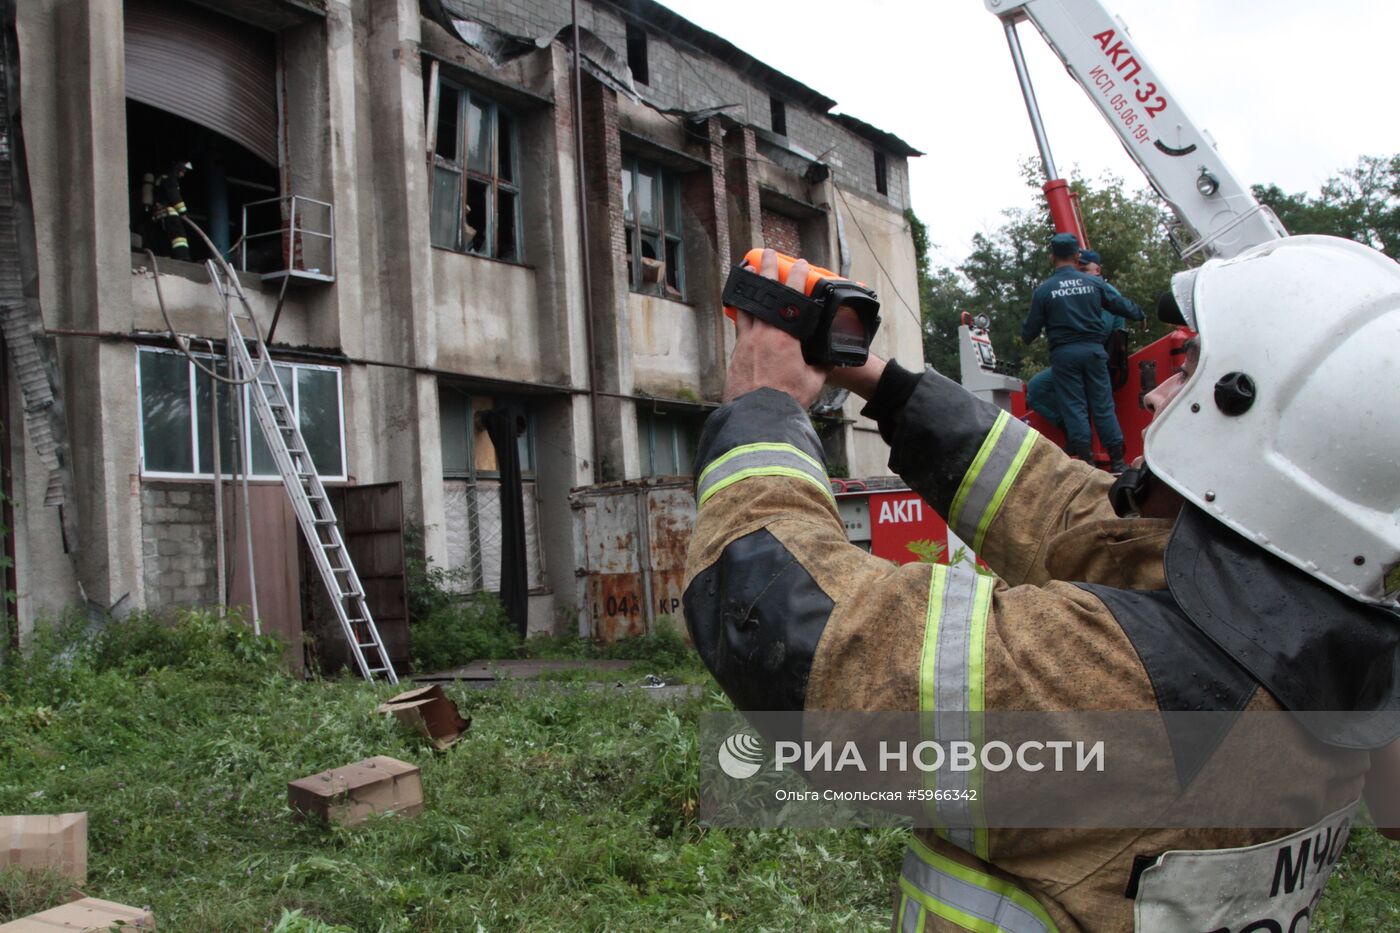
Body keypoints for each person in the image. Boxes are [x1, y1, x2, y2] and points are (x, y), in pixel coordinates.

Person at [684, 241, 1400, 931]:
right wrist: (885, 384)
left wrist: (760, 408)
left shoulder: (1121, 686)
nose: (1158, 396)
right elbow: (1069, 511)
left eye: (1192, 368)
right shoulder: (1336, 623)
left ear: (1263, 428)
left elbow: (800, 632)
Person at [1022, 233, 1143, 471]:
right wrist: (1140, 314)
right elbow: (1120, 305)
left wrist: (1027, 334)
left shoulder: (1045, 291)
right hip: (1094, 351)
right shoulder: (1094, 284)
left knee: (1074, 406)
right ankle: (1118, 461)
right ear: (1077, 256)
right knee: (1103, 406)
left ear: (1052, 257)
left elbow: (1030, 331)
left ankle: (1086, 463)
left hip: (1065, 355)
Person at [153, 160, 193, 261]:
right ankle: (182, 257)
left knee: (165, 236)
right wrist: (183, 211)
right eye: (182, 171)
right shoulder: (171, 179)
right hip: (169, 213)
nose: (183, 174)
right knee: (179, 237)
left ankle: (166, 256)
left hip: (159, 214)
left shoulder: (162, 179)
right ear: (177, 169)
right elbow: (174, 196)